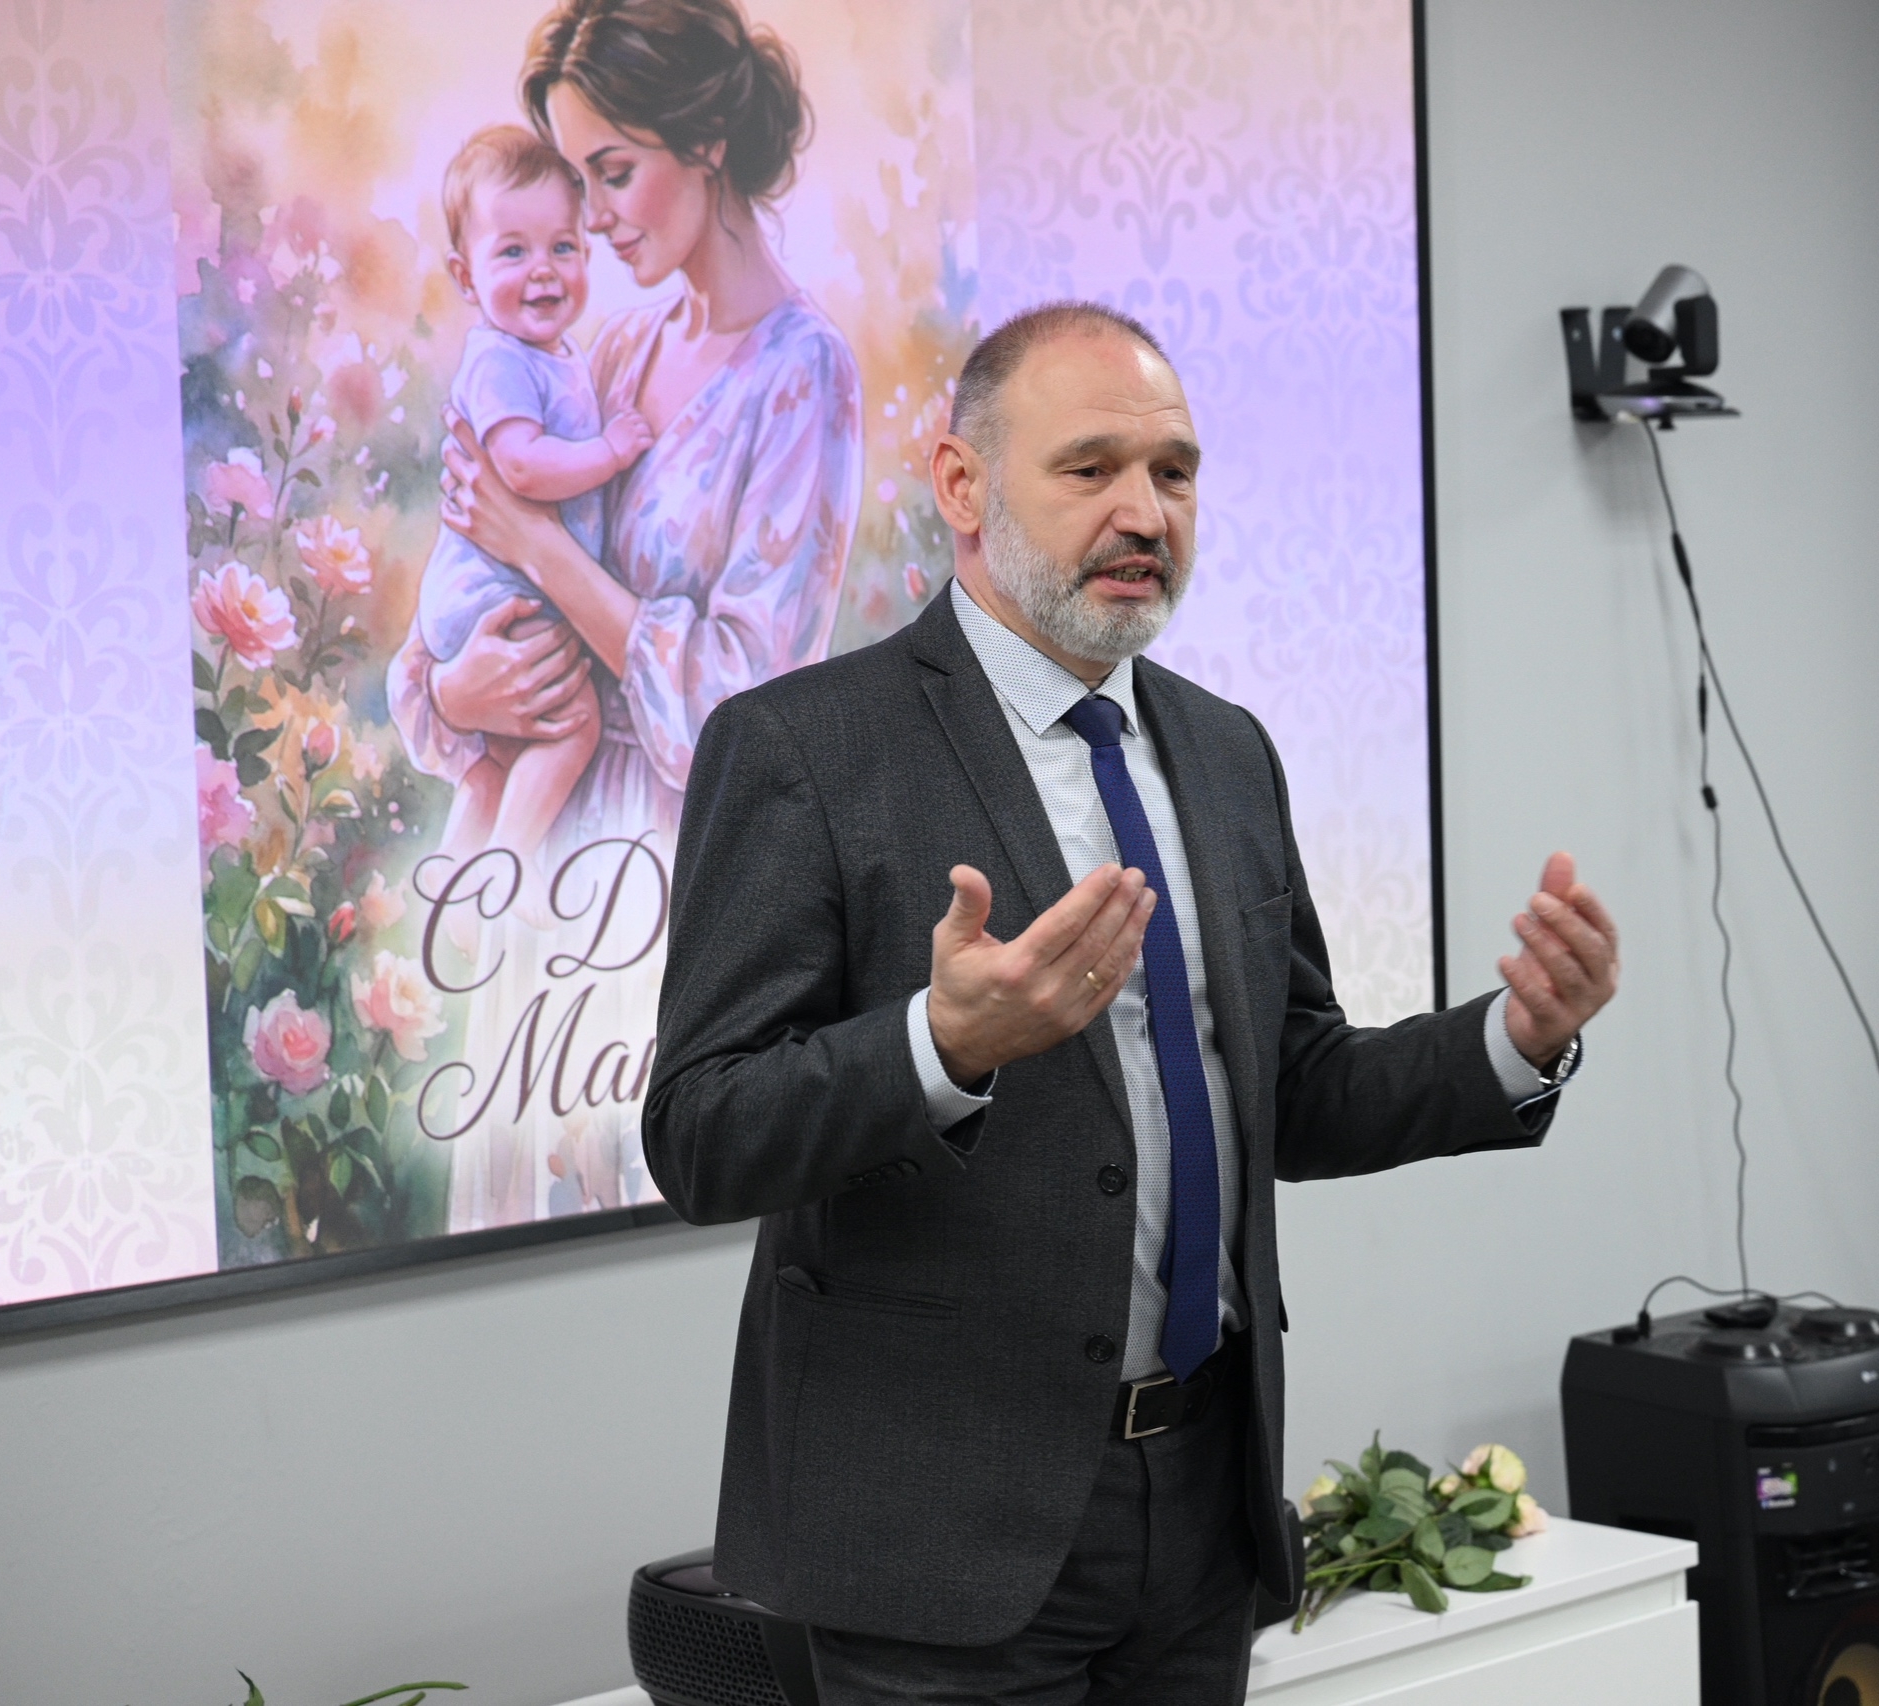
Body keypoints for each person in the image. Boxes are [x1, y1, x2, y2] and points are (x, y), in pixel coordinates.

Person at [644, 301, 1621, 1705]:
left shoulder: (1224, 752)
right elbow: (700, 1131)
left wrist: (1513, 1042)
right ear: (963, 484)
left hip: (1203, 1511)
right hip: (941, 1542)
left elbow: (1292, 1083)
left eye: (1174, 472)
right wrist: (940, 1046)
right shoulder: (803, 747)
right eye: (1090, 468)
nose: (1144, 513)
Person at [397, 0, 861, 1226]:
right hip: (545, 882)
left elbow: (746, 715)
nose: (591, 218)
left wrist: (547, 553)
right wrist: (448, 689)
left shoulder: (801, 375)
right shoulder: (608, 349)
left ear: (704, 142)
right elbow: (472, 562)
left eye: (611, 172)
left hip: (672, 890)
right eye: (577, 179)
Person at [417, 125, 654, 868]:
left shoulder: (557, 354)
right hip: (493, 595)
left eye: (562, 247)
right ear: (466, 277)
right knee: (572, 722)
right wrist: (608, 452)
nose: (543, 271)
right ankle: (507, 874)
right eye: (513, 252)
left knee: (495, 759)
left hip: (500, 591)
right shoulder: (500, 360)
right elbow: (519, 468)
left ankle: (455, 889)